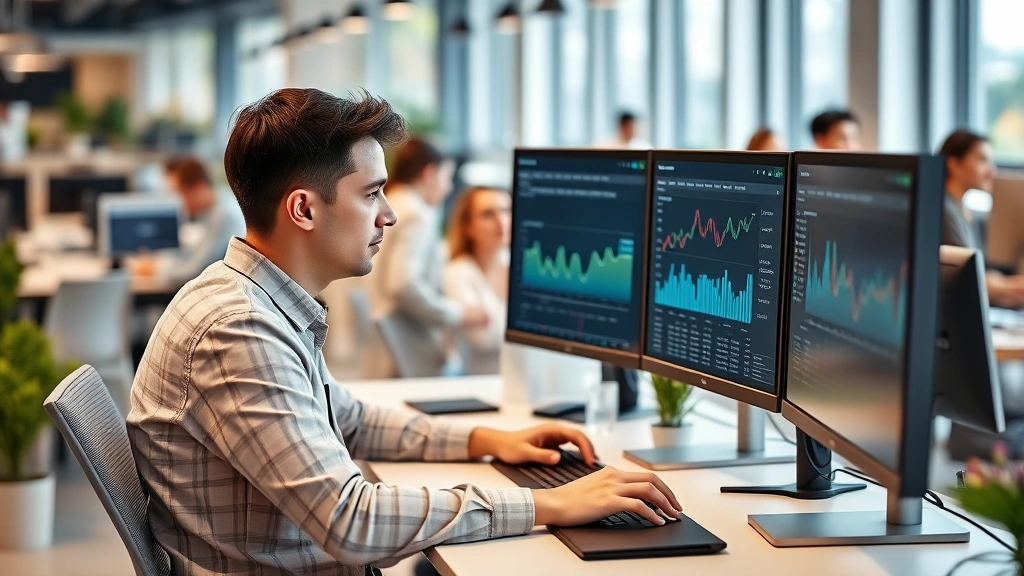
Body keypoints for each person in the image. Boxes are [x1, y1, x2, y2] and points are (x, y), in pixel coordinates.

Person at [127, 87, 681, 576]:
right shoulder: (238, 330)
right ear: (303, 209)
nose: (388, 215)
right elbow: (348, 521)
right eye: (371, 194)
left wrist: (488, 441)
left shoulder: (258, 303)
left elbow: (352, 420)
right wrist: (550, 505)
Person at [364, 137, 488, 378]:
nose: (448, 188)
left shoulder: (393, 202)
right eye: (446, 178)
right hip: (407, 342)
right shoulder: (417, 213)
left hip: (384, 338)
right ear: (430, 173)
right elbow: (403, 283)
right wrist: (456, 313)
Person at [939, 129, 1024, 307]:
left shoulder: (964, 211)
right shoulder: (945, 210)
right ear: (954, 164)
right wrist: (1011, 286)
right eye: (982, 160)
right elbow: (965, 279)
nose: (991, 171)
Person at [132, 157, 246, 285]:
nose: (179, 203)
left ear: (199, 187)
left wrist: (154, 270)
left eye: (180, 193)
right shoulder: (213, 210)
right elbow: (192, 255)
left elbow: (195, 271)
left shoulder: (225, 215)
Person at [444, 186, 512, 375]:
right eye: (488, 214)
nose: (502, 221)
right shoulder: (457, 273)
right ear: (468, 228)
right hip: (479, 380)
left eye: (507, 210)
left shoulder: (517, 265)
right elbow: (484, 339)